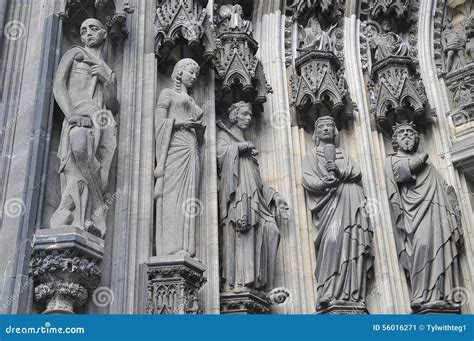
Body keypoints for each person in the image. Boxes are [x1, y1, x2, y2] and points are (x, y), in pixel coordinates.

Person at [51, 18, 119, 238]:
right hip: (78, 117)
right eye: (83, 29)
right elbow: (58, 86)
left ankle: (85, 217)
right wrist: (71, 116)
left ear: (104, 34)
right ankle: (89, 212)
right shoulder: (74, 54)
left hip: (102, 124)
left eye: (93, 28)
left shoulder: (108, 71)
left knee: (97, 167)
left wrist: (107, 81)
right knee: (78, 154)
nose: (87, 33)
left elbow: (112, 105)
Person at [385, 122, 463, 311]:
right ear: (395, 140)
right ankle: (422, 294)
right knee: (422, 245)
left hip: (437, 216)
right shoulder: (394, 160)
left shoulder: (430, 167)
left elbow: (446, 191)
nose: (406, 135)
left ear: (417, 138)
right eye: (401, 133)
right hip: (415, 217)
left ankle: (442, 295)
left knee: (441, 247)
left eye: (410, 132)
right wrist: (422, 156)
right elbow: (404, 172)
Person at [302, 116, 373, 310]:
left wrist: (340, 172)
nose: (326, 129)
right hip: (329, 203)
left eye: (330, 125)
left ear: (335, 131)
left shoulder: (343, 153)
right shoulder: (311, 155)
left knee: (353, 244)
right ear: (316, 133)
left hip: (351, 199)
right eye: (321, 126)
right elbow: (307, 180)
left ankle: (353, 293)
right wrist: (323, 183)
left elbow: (356, 173)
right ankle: (329, 290)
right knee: (332, 242)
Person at [217, 101, 288, 293]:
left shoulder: (247, 147)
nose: (249, 118)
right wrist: (238, 149)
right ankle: (239, 283)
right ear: (234, 116)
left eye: (250, 115)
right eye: (245, 114)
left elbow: (255, 179)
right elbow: (218, 157)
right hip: (238, 196)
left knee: (272, 230)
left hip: (255, 197)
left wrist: (274, 196)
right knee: (243, 230)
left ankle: (263, 284)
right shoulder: (224, 135)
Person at [154, 58, 205, 257]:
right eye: (191, 72)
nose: (193, 77)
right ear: (179, 72)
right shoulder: (168, 93)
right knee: (173, 195)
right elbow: (159, 122)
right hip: (175, 148)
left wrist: (198, 130)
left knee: (189, 197)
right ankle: (170, 246)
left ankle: (186, 247)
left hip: (192, 150)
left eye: (196, 74)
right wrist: (183, 124)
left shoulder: (192, 101)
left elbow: (201, 139)